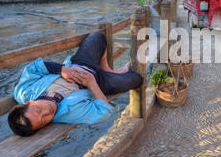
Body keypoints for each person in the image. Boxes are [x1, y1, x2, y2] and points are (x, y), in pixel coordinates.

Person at [8, 31, 143, 136]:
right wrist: (92, 84)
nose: (46, 112)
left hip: (79, 63)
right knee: (136, 79)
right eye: (43, 120)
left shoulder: (24, 91)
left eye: (38, 110)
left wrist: (62, 69)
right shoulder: (69, 114)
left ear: (28, 102)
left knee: (98, 37)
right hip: (100, 82)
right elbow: (104, 112)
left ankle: (106, 69)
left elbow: (34, 68)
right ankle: (108, 74)